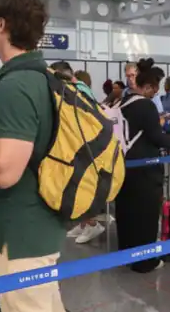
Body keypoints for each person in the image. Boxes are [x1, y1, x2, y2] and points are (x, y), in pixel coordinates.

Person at [0, 0, 65, 311]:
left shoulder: (17, 86)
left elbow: (6, 173)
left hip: (21, 238)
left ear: (2, 24)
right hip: (35, 228)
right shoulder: (40, 76)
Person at [115, 58, 170, 273]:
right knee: (146, 215)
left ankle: (125, 253)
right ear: (148, 86)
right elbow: (156, 136)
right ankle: (144, 261)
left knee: (126, 211)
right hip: (145, 170)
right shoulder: (146, 105)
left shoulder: (122, 103)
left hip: (124, 166)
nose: (155, 92)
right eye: (155, 88)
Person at [60, 65, 108, 245]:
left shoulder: (79, 92)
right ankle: (83, 223)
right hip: (80, 146)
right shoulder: (83, 92)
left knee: (82, 187)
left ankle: (91, 223)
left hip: (83, 147)